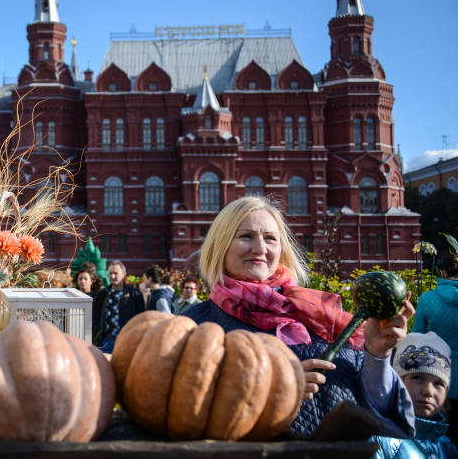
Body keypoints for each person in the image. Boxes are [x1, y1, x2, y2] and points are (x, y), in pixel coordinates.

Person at [183, 196, 415, 437]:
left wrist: (377, 353)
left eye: (270, 238)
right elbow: (184, 410)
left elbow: (378, 412)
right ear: (220, 245)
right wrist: (274, 389)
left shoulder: (321, 313)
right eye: (246, 236)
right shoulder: (196, 326)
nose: (260, 248)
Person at [370, 332, 458, 458]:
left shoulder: (447, 447)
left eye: (438, 384)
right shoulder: (380, 437)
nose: (428, 391)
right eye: (417, 378)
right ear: (397, 382)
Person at [413, 249, 458, 444]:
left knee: (440, 439)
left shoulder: (427, 299)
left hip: (438, 378)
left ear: (442, 272)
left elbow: (417, 340)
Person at [92, 261, 145, 353]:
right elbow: (95, 318)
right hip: (106, 342)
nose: (112, 276)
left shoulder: (135, 294)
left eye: (116, 273)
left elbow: (141, 319)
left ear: (124, 275)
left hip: (127, 342)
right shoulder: (102, 294)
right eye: (110, 273)